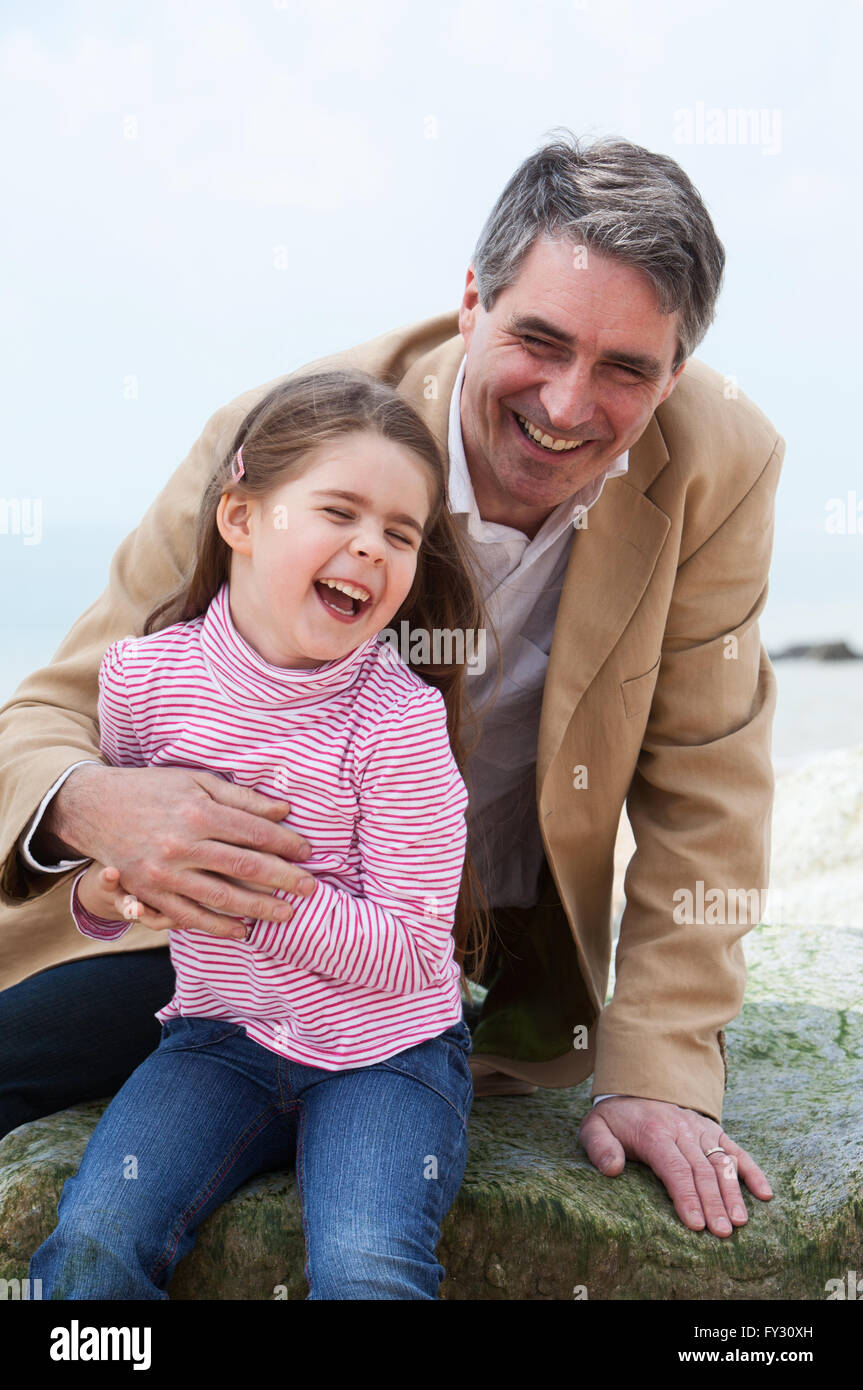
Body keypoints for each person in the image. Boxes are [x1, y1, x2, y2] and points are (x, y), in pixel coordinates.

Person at [0, 131, 782, 1244]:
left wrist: (655, 1067)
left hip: (477, 967)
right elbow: (47, 711)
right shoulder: (283, 441)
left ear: (677, 367)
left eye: (625, 369)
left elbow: (707, 778)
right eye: (539, 340)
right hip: (216, 929)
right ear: (471, 300)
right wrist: (95, 803)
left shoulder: (724, 457)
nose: (566, 404)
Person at [28, 367, 492, 1299]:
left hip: (385, 1057)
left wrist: (244, 897)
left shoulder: (398, 725)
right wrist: (109, 895)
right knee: (90, 1241)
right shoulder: (144, 682)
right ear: (240, 519)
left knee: (367, 1266)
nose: (371, 547)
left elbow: (410, 952)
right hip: (218, 1037)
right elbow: (122, 893)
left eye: (400, 534)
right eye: (339, 513)